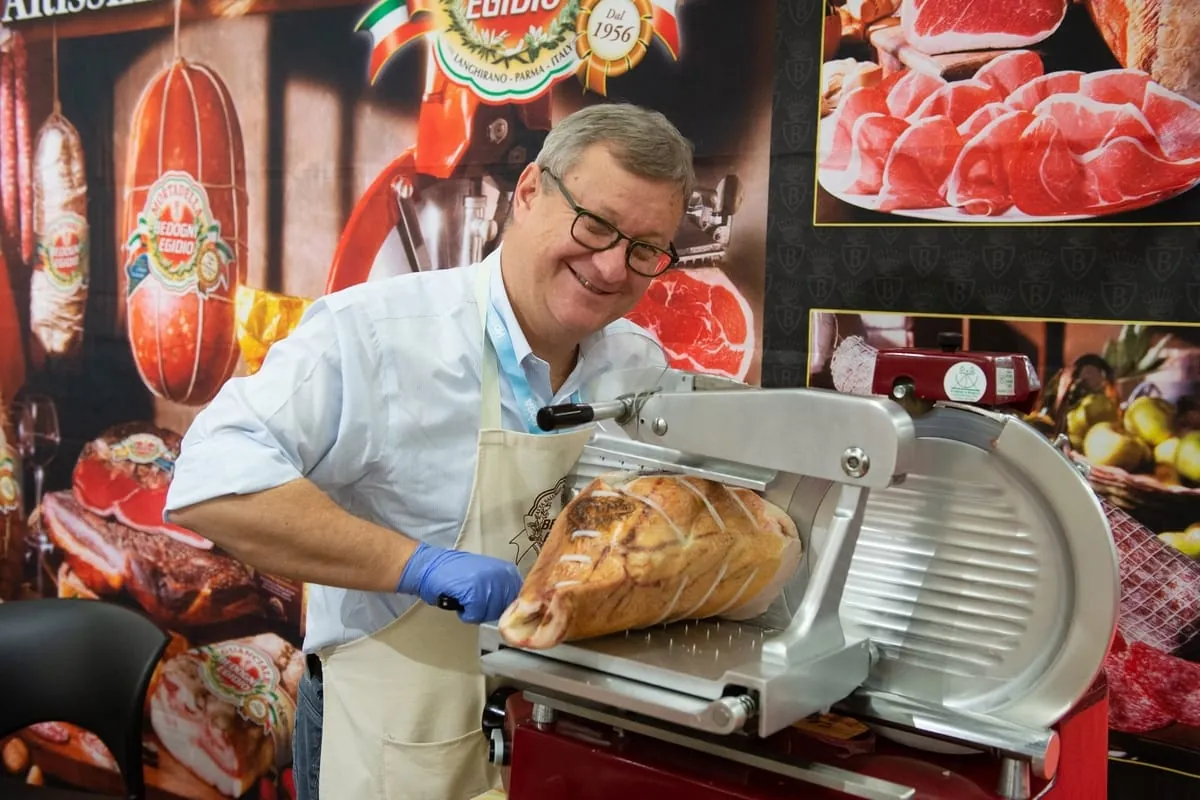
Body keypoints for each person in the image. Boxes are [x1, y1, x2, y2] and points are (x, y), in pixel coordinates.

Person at [163, 102, 696, 800]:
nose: (610, 266)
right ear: (530, 191)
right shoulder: (381, 335)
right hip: (387, 731)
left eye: (644, 248)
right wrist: (414, 564)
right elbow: (209, 478)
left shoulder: (637, 367)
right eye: (595, 225)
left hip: (547, 729)